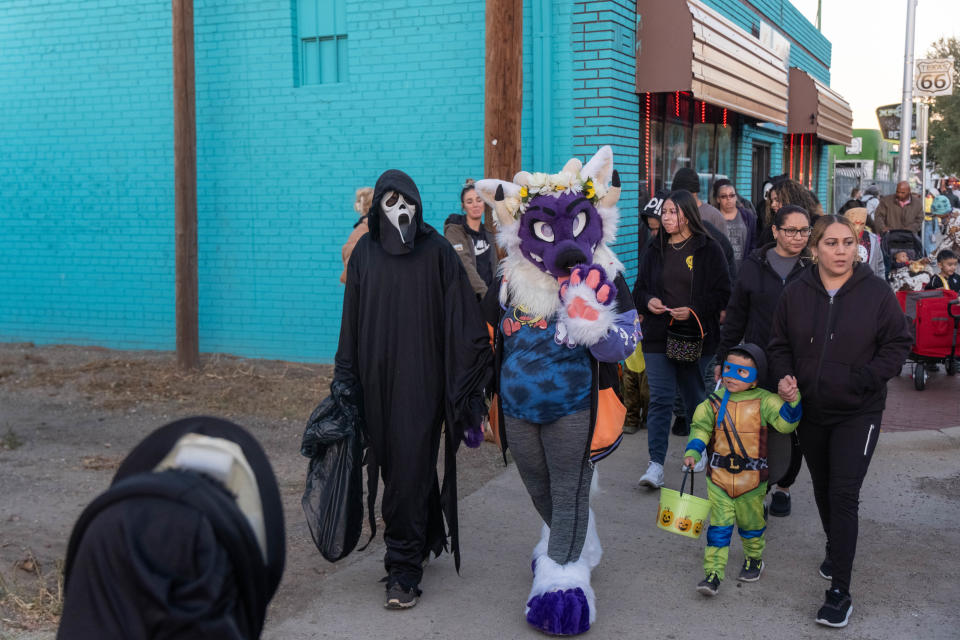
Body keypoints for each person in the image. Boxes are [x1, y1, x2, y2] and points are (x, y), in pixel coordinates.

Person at [477, 146, 640, 635]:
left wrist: (598, 328)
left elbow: (629, 340)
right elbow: (481, 342)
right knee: (538, 486)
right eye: (547, 231)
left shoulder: (605, 274)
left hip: (574, 406)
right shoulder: (509, 281)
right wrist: (471, 401)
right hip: (519, 408)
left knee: (570, 488)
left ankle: (564, 584)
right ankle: (571, 543)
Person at [335, 169, 492, 609]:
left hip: (422, 383)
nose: (399, 211)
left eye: (406, 202)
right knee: (394, 465)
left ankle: (403, 569)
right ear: (376, 209)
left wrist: (472, 379)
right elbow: (351, 321)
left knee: (407, 464)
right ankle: (423, 536)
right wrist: (345, 378)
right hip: (376, 380)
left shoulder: (437, 253)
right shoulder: (366, 253)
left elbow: (464, 318)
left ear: (417, 205)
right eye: (389, 203)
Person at [767, 215, 912, 628]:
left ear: (857, 247)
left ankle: (839, 592)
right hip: (812, 409)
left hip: (858, 411)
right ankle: (835, 546)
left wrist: (863, 380)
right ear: (814, 249)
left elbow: (898, 343)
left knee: (844, 494)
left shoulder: (876, 292)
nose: (841, 250)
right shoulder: (797, 293)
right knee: (824, 488)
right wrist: (784, 377)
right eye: (831, 243)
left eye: (848, 242)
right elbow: (778, 345)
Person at [58, 417, 286, 640]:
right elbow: (258, 582)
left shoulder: (123, 510)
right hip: (203, 539)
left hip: (115, 524)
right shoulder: (238, 515)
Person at [714, 204, 812, 517]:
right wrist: (723, 357)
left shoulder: (813, 267)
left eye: (804, 231)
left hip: (800, 363)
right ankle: (760, 489)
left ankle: (784, 486)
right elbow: (736, 315)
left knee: (793, 428)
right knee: (756, 428)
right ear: (775, 231)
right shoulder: (754, 265)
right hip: (758, 360)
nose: (798, 237)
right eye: (791, 230)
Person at [683, 344, 802, 596]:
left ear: (756, 378)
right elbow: (700, 428)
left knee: (751, 525)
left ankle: (754, 558)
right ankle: (712, 574)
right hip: (719, 479)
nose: (731, 376)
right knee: (719, 528)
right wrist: (693, 451)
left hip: (752, 481)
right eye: (728, 369)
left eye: (741, 372)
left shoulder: (766, 401)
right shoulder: (712, 403)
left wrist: (793, 401)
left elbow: (785, 424)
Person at [633, 189, 731, 489]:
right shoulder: (655, 247)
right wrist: (648, 302)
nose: (666, 217)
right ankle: (655, 465)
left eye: (672, 212)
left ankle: (698, 447)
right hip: (658, 334)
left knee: (693, 396)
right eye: (664, 212)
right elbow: (639, 289)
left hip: (693, 335)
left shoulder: (708, 248)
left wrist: (693, 311)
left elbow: (723, 292)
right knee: (661, 398)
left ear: (687, 214)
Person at [444, 179, 497, 299]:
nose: (475, 205)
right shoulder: (455, 231)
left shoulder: (488, 233)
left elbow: (494, 266)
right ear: (463, 206)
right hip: (467, 297)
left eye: (479, 200)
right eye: (469, 201)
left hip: (488, 298)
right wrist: (486, 294)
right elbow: (465, 264)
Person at [712, 178, 757, 272]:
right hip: (721, 271)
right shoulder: (713, 218)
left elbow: (753, 243)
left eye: (732, 195)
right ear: (718, 199)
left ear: (736, 197)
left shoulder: (748, 217)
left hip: (743, 271)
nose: (729, 199)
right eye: (724, 196)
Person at [340, 186, 373, 284]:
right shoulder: (378, 227)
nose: (356, 204)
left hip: (361, 285)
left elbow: (352, 259)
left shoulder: (362, 229)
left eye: (358, 201)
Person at [842, 206, 884, 278]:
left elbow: (880, 266)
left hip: (869, 285)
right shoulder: (839, 239)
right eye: (853, 224)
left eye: (862, 223)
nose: (858, 228)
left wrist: (882, 286)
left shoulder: (873, 240)